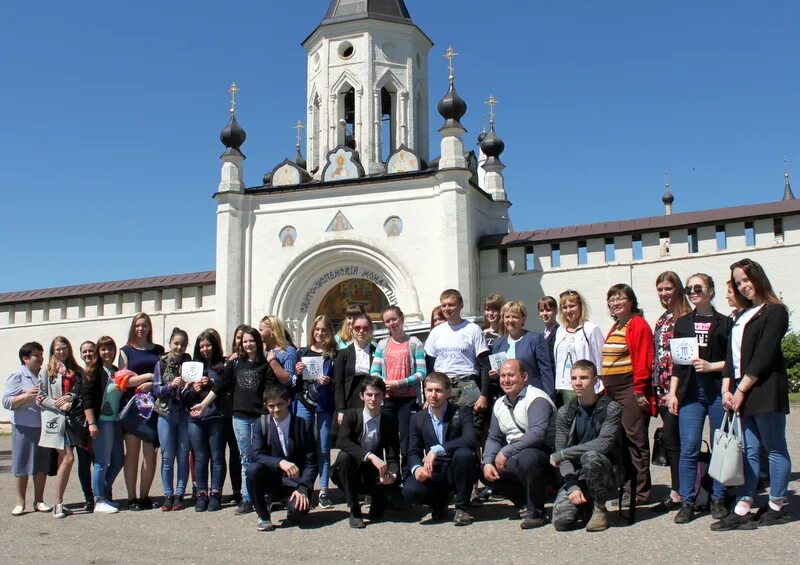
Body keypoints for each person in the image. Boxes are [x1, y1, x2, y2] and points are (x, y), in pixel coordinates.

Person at [711, 259, 792, 531]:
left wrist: (740, 390)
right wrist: (726, 389)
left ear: (758, 277)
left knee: (774, 447)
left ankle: (777, 504)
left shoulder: (775, 311)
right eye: (738, 283)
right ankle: (743, 505)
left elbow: (763, 355)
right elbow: (730, 357)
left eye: (746, 280)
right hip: (740, 391)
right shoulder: (741, 315)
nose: (743, 286)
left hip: (764, 389)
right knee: (750, 451)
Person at [191, 326, 276, 515]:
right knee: (245, 458)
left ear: (257, 342)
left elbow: (270, 392)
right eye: (245, 341)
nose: (248, 344)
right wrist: (203, 404)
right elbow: (220, 386)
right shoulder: (236, 364)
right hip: (240, 418)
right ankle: (247, 499)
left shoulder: (265, 364)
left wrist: (269, 414)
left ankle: (263, 495)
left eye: (251, 341)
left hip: (260, 417)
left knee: (261, 457)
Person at [667, 273, 731, 523]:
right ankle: (687, 502)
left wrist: (711, 366)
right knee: (689, 448)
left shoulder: (725, 323)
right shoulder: (683, 323)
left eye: (698, 287)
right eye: (689, 289)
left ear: (711, 291)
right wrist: (673, 393)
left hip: (717, 392)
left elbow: (734, 361)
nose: (693, 292)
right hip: (690, 394)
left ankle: (718, 498)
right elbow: (678, 364)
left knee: (720, 448)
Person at [551, 360, 624, 532]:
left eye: (584, 378)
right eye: (574, 378)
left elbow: (604, 443)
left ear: (595, 380)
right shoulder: (564, 412)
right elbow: (562, 453)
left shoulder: (611, 408)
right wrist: (571, 484)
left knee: (589, 456)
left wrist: (563, 454)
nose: (578, 382)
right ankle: (586, 503)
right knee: (562, 522)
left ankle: (600, 509)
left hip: (606, 472)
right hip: (577, 475)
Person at [482, 359, 556, 529]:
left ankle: (537, 512)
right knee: (481, 467)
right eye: (503, 375)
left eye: (511, 375)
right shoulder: (499, 403)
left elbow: (537, 434)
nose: (506, 380)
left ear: (524, 377)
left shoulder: (537, 398)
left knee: (527, 457)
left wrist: (506, 451)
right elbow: (493, 437)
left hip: (546, 457)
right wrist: (487, 462)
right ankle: (525, 502)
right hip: (515, 455)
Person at [83, 336, 153, 514]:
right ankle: (99, 500)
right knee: (101, 462)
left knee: (118, 461)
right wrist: (92, 423)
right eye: (103, 349)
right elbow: (88, 399)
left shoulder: (114, 371)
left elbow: (129, 382)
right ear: (99, 352)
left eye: (110, 349)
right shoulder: (94, 371)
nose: (107, 352)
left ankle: (103, 494)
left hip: (115, 423)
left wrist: (149, 381)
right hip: (101, 422)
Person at [601, 283, 654, 503]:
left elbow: (643, 359)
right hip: (613, 391)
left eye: (620, 298)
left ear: (631, 301)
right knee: (619, 440)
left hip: (629, 389)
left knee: (636, 440)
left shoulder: (637, 324)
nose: (615, 303)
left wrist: (640, 390)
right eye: (612, 299)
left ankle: (640, 491)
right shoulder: (617, 327)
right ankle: (627, 487)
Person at [402, 372, 478, 526]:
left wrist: (437, 449)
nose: (433, 395)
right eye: (429, 390)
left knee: (464, 454)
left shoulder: (462, 411)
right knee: (410, 491)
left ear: (448, 392)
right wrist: (417, 468)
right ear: (424, 391)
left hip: (458, 467)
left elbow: (470, 439)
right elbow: (413, 451)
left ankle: (462, 508)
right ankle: (439, 504)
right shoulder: (417, 418)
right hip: (435, 470)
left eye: (438, 390)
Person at [246, 385, 317, 532]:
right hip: (272, 479)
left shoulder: (303, 425)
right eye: (271, 406)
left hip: (295, 482)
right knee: (252, 469)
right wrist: (280, 462)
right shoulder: (262, 424)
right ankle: (263, 515)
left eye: (280, 404)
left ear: (288, 402)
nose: (276, 410)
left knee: (298, 514)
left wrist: (303, 488)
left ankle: (285, 503)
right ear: (266, 406)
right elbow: (256, 454)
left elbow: (311, 462)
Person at [332, 376, 400, 529]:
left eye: (377, 395)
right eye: (369, 395)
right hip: (352, 470)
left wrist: (393, 474)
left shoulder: (389, 420)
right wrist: (370, 456)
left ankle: (379, 500)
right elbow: (341, 441)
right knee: (343, 456)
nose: (373, 399)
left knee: (396, 504)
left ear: (384, 396)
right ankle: (354, 508)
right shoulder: (351, 415)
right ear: (362, 396)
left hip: (374, 472)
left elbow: (393, 452)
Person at [370, 305, 426, 481]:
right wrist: (383, 383)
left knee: (407, 440)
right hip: (388, 399)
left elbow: (421, 374)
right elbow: (374, 371)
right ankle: (393, 474)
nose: (391, 323)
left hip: (408, 399)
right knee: (390, 438)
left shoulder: (414, 343)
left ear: (401, 319)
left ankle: (408, 475)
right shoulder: (382, 344)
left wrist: (399, 384)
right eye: (387, 321)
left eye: (394, 319)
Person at [652, 271, 691, 510]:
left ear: (677, 289)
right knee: (671, 440)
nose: (664, 293)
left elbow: (684, 359)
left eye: (668, 288)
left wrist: (675, 391)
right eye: (660, 289)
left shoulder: (685, 317)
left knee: (677, 440)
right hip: (662, 388)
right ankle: (679, 490)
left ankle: (682, 492)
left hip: (678, 389)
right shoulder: (663, 318)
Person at [118, 312, 163, 511]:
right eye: (137, 325)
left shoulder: (158, 351)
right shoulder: (125, 351)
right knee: (132, 455)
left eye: (144, 325)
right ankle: (131, 498)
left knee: (150, 454)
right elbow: (122, 381)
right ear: (133, 327)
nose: (141, 328)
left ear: (149, 327)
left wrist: (151, 383)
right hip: (133, 408)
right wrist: (147, 377)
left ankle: (144, 496)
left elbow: (164, 378)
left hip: (153, 408)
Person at [425, 289, 490, 420]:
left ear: (460, 305)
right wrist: (427, 397)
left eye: (451, 305)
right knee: (444, 428)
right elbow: (429, 367)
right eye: (444, 305)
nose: (447, 309)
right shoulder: (436, 332)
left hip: (467, 385)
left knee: (471, 428)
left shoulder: (473, 329)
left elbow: (484, 365)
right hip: (441, 386)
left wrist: (483, 395)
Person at [3, 342, 52, 516]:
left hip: (43, 426)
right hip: (23, 427)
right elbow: (7, 402)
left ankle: (39, 500)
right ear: (25, 359)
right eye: (36, 355)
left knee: (41, 465)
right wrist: (27, 395)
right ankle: (20, 502)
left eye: (41, 354)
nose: (40, 358)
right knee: (22, 464)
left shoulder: (44, 374)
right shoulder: (17, 376)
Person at [293, 315, 337, 508]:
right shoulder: (302, 352)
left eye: (324, 330)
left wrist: (330, 382)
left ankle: (324, 491)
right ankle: (305, 488)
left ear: (329, 332)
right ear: (312, 331)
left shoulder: (334, 355)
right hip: (305, 402)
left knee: (324, 448)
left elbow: (339, 382)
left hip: (325, 405)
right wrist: (298, 371)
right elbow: (295, 382)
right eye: (317, 329)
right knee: (304, 445)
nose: (320, 333)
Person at [36, 337, 83, 518]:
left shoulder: (77, 371)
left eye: (64, 348)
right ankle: (58, 504)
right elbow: (40, 397)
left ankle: (59, 501)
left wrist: (70, 396)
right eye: (58, 349)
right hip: (56, 420)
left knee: (64, 460)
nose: (61, 352)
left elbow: (80, 390)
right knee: (68, 458)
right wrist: (57, 404)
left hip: (73, 420)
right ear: (53, 352)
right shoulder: (47, 372)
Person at [183, 329, 227, 512]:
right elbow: (184, 396)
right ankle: (201, 494)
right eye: (201, 346)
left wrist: (209, 383)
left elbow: (225, 388)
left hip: (216, 416)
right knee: (200, 457)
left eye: (208, 345)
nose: (205, 349)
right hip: (195, 418)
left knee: (217, 457)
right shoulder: (192, 367)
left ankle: (215, 494)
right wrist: (194, 388)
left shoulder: (222, 366)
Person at [152, 328, 192, 511]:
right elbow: (156, 390)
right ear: (170, 344)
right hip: (166, 413)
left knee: (183, 455)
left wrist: (189, 386)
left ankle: (180, 494)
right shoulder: (161, 363)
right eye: (177, 343)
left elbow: (194, 388)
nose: (180, 347)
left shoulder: (189, 362)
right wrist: (170, 385)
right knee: (168, 456)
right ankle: (168, 495)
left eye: (183, 344)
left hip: (183, 413)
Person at [491, 300, 555, 400]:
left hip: (532, 396)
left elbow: (546, 370)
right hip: (506, 398)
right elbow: (497, 375)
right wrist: (494, 375)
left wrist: (549, 397)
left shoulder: (535, 339)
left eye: (515, 317)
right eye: (507, 317)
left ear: (523, 319)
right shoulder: (498, 343)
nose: (510, 320)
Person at [553, 290, 605, 406]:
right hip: (564, 386)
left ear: (580, 307)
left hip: (586, 386)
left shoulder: (591, 329)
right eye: (564, 307)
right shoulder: (560, 331)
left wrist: (599, 384)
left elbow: (600, 360)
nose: (568, 310)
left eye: (572, 306)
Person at [222, 324, 248, 504]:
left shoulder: (252, 360)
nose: (240, 342)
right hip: (229, 410)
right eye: (238, 338)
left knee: (246, 452)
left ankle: (250, 490)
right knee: (233, 452)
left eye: (244, 338)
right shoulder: (228, 361)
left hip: (246, 410)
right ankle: (236, 490)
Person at [334, 313, 376, 418]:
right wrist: (340, 409)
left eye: (365, 328)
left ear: (370, 329)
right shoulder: (343, 354)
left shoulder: (377, 352)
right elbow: (338, 384)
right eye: (357, 328)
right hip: (350, 399)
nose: (361, 331)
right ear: (352, 329)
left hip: (372, 399)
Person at [75, 340, 96, 510]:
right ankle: (89, 497)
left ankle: (102, 494)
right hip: (81, 425)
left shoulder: (100, 372)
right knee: (84, 463)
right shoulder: (78, 374)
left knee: (101, 462)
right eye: (85, 352)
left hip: (100, 422)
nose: (88, 354)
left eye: (91, 351)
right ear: (81, 355)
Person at [259, 315, 297, 385]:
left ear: (272, 330)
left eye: (261, 330)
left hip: (278, 394)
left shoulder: (288, 350)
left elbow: (289, 381)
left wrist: (273, 361)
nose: (259, 333)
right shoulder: (261, 351)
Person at [538, 296, 560, 367]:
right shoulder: (542, 334)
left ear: (556, 310)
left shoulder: (560, 333)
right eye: (541, 310)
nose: (544, 313)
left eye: (548, 310)